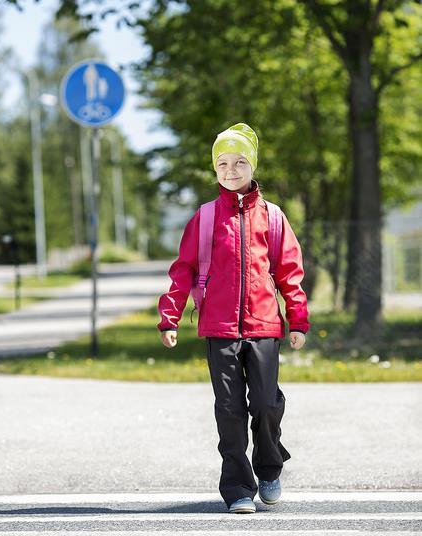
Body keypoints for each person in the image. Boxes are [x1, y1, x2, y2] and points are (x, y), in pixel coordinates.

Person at [157, 122, 310, 514]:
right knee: (229, 410)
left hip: (263, 325)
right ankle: (239, 488)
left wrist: (298, 320)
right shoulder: (206, 218)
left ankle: (270, 467)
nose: (230, 170)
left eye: (239, 162)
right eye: (222, 163)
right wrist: (169, 317)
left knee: (263, 403)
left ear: (252, 165)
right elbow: (183, 270)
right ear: (214, 169)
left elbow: (289, 272)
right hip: (218, 327)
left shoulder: (273, 217)